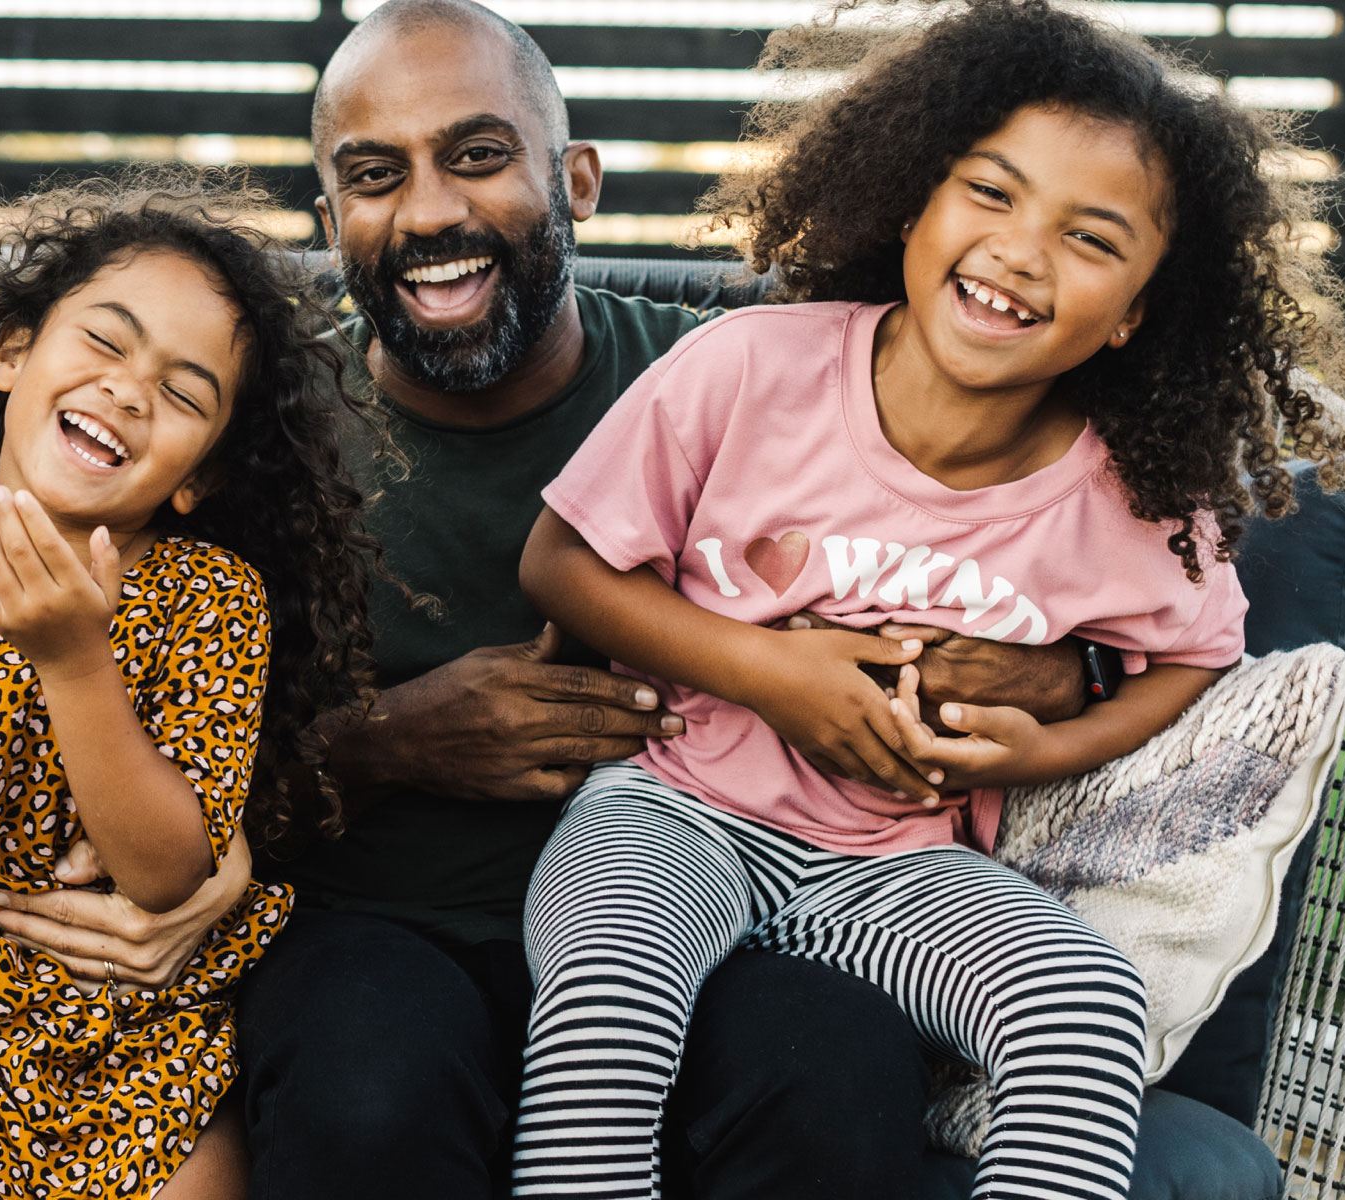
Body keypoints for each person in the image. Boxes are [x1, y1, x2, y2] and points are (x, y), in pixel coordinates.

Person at [174, 5, 1103, 1198]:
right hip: (390, 930)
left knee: (830, 1074)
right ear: (331, 221)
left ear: (577, 181)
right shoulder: (259, 440)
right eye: (374, 176)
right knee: (365, 1094)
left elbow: (1025, 555)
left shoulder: (735, 383)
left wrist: (1054, 673)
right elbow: (151, 779)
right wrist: (386, 746)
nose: (431, 214)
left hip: (738, 916)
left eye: (477, 156)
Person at [508, 2, 1345, 1195]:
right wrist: (771, 675)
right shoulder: (750, 369)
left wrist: (1046, 747)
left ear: (1134, 312)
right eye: (993, 192)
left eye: (1092, 238)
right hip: (679, 809)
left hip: (899, 867)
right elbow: (561, 563)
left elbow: (1194, 659)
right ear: (917, 196)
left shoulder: (1129, 497)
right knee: (609, 983)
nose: (1020, 250)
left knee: (1085, 1006)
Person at [0, 175, 378, 1199]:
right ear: (14, 353)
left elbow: (166, 873)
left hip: (154, 1029)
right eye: (105, 341)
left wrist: (73, 661)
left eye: (185, 392)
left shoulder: (209, 601)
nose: (130, 388)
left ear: (201, 477)